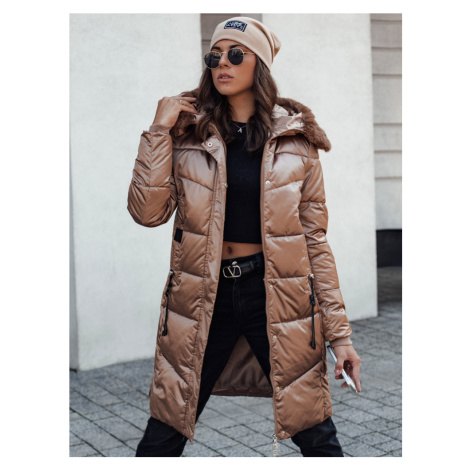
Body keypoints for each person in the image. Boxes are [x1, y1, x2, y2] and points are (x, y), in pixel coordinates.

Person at [128, 16, 361, 457]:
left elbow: (315, 243)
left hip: (276, 296)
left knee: (315, 432)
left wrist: (340, 336)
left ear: (261, 65)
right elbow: (147, 212)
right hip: (202, 295)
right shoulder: (188, 134)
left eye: (236, 54)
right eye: (214, 55)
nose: (223, 63)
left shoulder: (297, 142)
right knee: (165, 430)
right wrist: (158, 131)